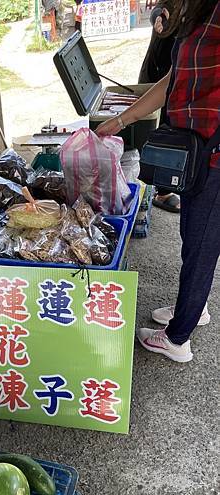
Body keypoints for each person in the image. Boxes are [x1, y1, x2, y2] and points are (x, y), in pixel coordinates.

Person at [96, 0, 219, 363]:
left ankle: (178, 338)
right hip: (195, 151)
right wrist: (121, 120)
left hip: (215, 154)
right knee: (193, 235)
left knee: (201, 245)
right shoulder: (198, 11)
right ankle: (194, 308)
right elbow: (172, 80)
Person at [139, 1, 181, 213]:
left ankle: (174, 179)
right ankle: (162, 190)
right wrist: (158, 17)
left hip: (179, 74)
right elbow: (159, 8)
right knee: (161, 129)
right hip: (158, 73)